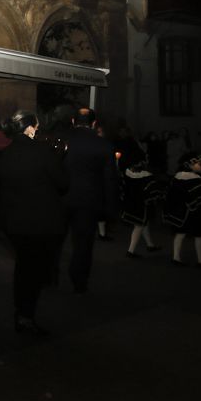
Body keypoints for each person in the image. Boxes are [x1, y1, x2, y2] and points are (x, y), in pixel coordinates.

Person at [0, 111, 69, 336]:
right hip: (39, 222)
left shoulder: (4, 154)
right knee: (33, 270)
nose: (37, 129)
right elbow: (62, 183)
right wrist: (58, 158)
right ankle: (25, 316)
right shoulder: (42, 151)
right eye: (35, 126)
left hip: (14, 223)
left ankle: (22, 311)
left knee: (23, 266)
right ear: (28, 128)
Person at [61, 107, 118, 293]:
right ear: (94, 124)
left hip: (60, 197)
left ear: (72, 121)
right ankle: (79, 280)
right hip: (88, 200)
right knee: (83, 243)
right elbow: (109, 180)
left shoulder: (61, 140)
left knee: (54, 239)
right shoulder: (104, 146)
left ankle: (49, 273)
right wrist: (110, 208)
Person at [164, 152, 201, 267]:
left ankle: (176, 257)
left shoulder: (177, 177)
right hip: (194, 212)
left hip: (180, 212)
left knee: (180, 234)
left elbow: (170, 195)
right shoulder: (195, 179)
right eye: (199, 164)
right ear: (188, 165)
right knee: (198, 235)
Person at [121, 154, 164, 258]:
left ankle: (150, 245)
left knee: (143, 224)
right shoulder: (147, 175)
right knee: (139, 226)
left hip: (130, 202)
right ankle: (130, 251)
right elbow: (152, 192)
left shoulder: (126, 172)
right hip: (142, 205)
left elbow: (123, 187)